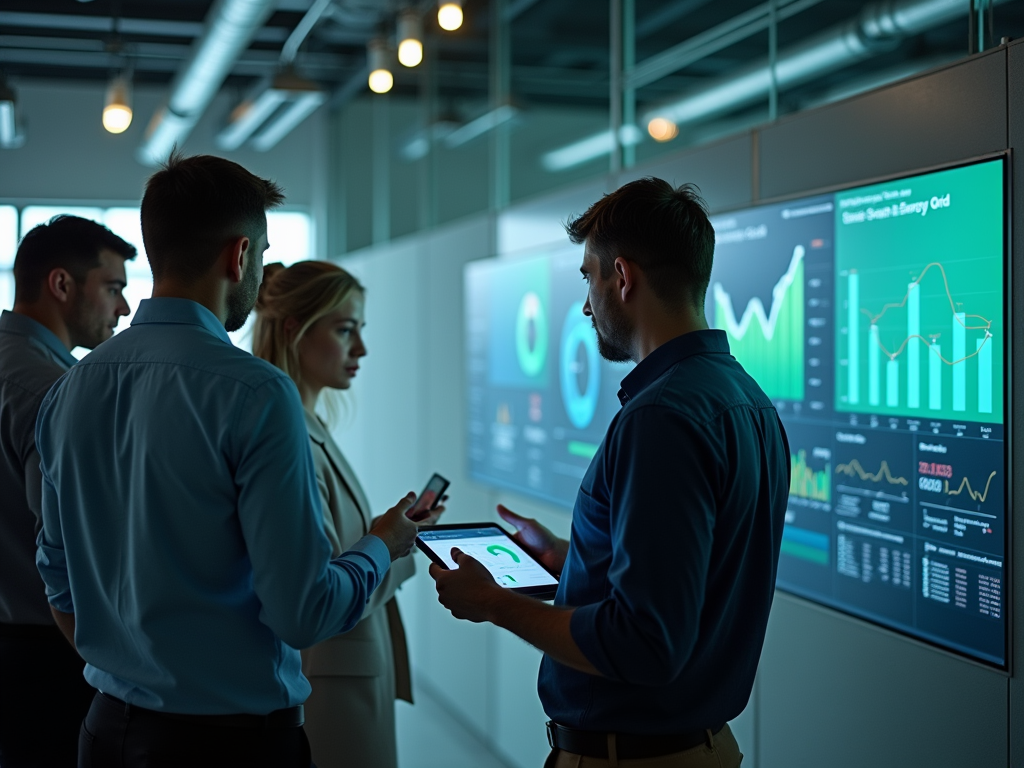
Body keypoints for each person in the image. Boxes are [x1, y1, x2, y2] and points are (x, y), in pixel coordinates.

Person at [34, 153, 421, 768]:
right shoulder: (256, 391)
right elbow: (303, 612)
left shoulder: (70, 390)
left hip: (105, 734)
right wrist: (381, 545)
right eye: (263, 253)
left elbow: (58, 583)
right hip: (229, 744)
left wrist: (133, 663)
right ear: (240, 255)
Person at [429, 178, 790, 768]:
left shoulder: (661, 418)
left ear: (621, 278)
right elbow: (687, 578)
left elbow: (645, 644)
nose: (585, 303)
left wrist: (494, 602)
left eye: (587, 278)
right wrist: (569, 560)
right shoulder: (746, 401)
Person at [254, 260, 438, 768]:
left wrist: (396, 534)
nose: (361, 349)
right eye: (344, 330)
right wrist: (391, 544)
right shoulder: (290, 438)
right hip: (331, 682)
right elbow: (321, 591)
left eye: (360, 330)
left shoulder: (308, 423)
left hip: (347, 671)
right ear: (295, 330)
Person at [0, 215, 135, 768]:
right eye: (113, 288)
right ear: (61, 284)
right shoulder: (52, 391)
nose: (123, 309)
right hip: (47, 653)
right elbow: (72, 546)